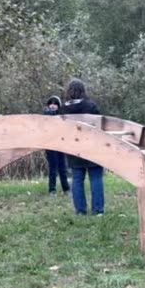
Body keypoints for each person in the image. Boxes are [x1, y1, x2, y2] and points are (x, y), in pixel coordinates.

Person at [58, 79, 104, 216]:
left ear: (69, 91)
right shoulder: (90, 106)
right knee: (96, 178)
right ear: (83, 90)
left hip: (73, 148)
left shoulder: (63, 109)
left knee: (77, 179)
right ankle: (98, 210)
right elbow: (99, 126)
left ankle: (80, 211)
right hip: (92, 146)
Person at [42, 96, 70, 196]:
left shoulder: (63, 115)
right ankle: (52, 189)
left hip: (61, 144)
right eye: (51, 104)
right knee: (53, 168)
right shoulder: (46, 114)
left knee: (63, 168)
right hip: (50, 145)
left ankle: (66, 189)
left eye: (55, 104)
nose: (53, 106)